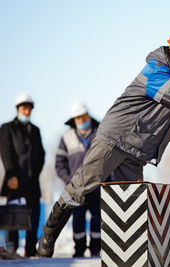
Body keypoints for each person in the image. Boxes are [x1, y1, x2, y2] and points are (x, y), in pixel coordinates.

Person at [38, 29, 170, 257]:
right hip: (114, 139)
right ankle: (48, 235)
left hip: (135, 149)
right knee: (80, 187)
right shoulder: (156, 72)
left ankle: (126, 252)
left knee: (131, 201)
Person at [0, 93, 45, 257]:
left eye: (29, 109)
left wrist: (35, 173)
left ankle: (30, 248)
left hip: (32, 181)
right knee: (13, 213)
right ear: (18, 109)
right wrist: (11, 174)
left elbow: (41, 155)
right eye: (23, 108)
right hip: (15, 180)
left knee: (34, 215)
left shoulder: (35, 130)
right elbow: (6, 152)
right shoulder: (7, 128)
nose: (26, 111)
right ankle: (11, 248)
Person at [55, 102, 102, 257]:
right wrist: (69, 181)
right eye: (77, 118)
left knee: (97, 218)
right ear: (73, 119)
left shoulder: (100, 132)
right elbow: (59, 163)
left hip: (97, 187)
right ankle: (79, 249)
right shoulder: (66, 137)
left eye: (83, 116)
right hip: (75, 189)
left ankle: (96, 248)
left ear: (88, 115)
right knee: (78, 218)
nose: (81, 120)